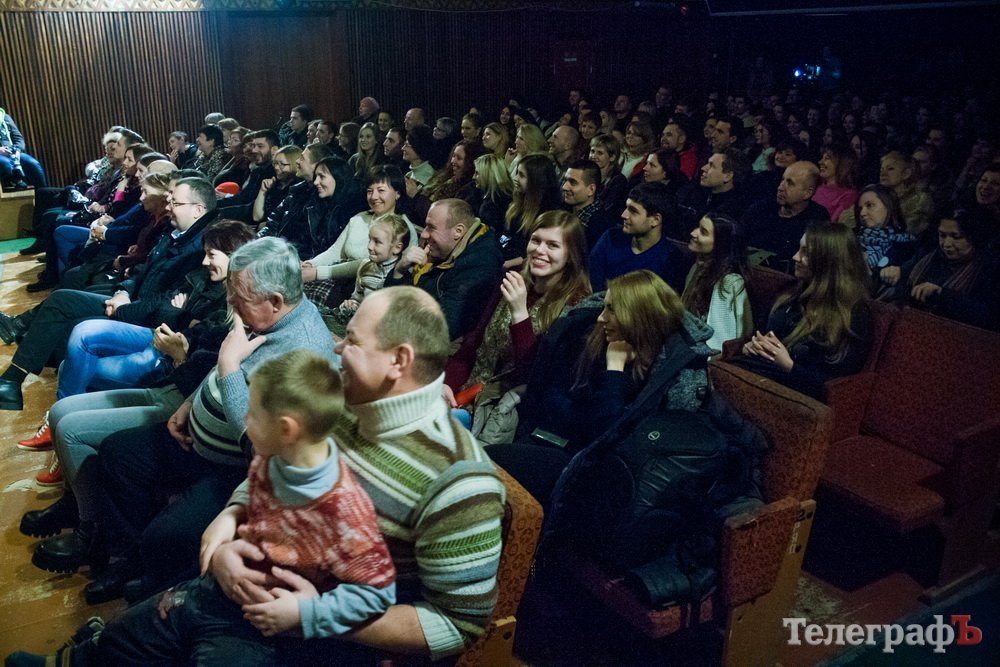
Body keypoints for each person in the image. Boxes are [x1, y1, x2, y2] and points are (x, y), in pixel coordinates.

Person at [187, 287, 504, 663]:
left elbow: (457, 626)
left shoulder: (461, 481)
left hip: (323, 640)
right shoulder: (342, 398)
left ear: (398, 361)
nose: (337, 349)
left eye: (351, 341)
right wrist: (231, 517)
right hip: (255, 578)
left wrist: (315, 617)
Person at [486, 270, 714, 505]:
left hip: (598, 472)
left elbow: (608, 440)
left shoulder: (667, 373)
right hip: (558, 443)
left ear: (637, 317)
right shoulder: (594, 340)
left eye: (611, 309)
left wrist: (614, 369)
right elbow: (556, 403)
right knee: (484, 463)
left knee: (490, 463)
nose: (600, 318)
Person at [0, 177, 219, 411]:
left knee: (73, 325)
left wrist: (123, 309)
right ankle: (13, 380)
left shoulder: (200, 248)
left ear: (198, 210)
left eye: (175, 203)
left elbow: (165, 303)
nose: (168, 207)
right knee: (62, 299)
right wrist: (122, 292)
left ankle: (60, 405)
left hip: (148, 321)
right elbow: (142, 271)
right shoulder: (175, 232)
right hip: (132, 302)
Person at [444, 211, 592, 433]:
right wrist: (446, 384)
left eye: (552, 245)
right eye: (536, 240)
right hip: (467, 392)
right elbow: (473, 343)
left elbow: (532, 378)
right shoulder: (514, 278)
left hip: (502, 413)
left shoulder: (576, 307)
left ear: (571, 256)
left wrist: (520, 314)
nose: (539, 250)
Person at [736, 222, 873, 401]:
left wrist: (789, 365)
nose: (795, 257)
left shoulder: (854, 315)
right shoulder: (791, 292)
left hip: (793, 393)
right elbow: (760, 333)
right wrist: (751, 346)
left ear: (828, 261)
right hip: (755, 372)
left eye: (805, 252)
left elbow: (835, 387)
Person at [301, 164, 417, 308]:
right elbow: (336, 251)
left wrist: (318, 272)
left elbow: (366, 263)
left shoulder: (403, 228)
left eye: (381, 190)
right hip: (338, 279)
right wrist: (311, 264)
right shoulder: (360, 218)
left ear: (397, 193)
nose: (374, 197)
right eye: (370, 191)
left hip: (367, 290)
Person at [386, 199, 504, 340]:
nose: (424, 234)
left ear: (458, 231)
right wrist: (400, 269)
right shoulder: (445, 248)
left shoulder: (479, 265)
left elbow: (443, 327)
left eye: (431, 227)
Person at [885, 210, 999, 330]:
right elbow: (903, 285)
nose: (946, 244)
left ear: (973, 237)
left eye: (956, 237)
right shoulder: (927, 258)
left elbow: (987, 316)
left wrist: (942, 294)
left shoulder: (987, 270)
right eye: (942, 235)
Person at [589, 182, 686, 292]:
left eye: (633, 211)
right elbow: (592, 282)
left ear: (655, 220)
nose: (624, 215)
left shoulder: (671, 260)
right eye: (626, 208)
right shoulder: (611, 238)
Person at [325, 214, 411, 337]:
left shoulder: (402, 278)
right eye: (369, 239)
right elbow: (358, 299)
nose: (369, 247)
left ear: (397, 248)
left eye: (377, 242)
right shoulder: (365, 267)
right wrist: (351, 305)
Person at [682, 212, 753, 352]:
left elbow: (720, 339)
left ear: (720, 244)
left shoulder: (729, 283)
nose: (693, 233)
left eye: (703, 232)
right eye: (697, 227)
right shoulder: (696, 268)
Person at [743, 160, 830, 270]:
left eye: (790, 183)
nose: (780, 187)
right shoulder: (760, 209)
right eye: (782, 180)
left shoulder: (817, 219)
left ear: (807, 193)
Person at [851, 184, 915, 292]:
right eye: (860, 208)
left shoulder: (907, 246)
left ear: (889, 206)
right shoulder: (849, 238)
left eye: (870, 205)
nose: (862, 213)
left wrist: (900, 272)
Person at [502, 154, 561, 266]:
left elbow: (536, 252)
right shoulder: (517, 203)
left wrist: (506, 264)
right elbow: (506, 236)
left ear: (536, 180)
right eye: (517, 173)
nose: (515, 179)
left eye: (521, 175)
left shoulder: (547, 213)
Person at [880, 151, 933, 238]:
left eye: (890, 169)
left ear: (906, 174)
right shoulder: (875, 196)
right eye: (881, 169)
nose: (883, 174)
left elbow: (910, 230)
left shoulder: (920, 199)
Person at [0, 106, 47, 189]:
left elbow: (18, 138)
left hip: (12, 152)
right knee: (7, 164)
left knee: (33, 164)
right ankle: (16, 183)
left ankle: (42, 192)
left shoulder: (5, 117)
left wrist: (17, 150)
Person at [814, 144, 859, 223]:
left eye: (827, 158)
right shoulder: (816, 187)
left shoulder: (849, 195)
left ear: (842, 163)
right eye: (822, 158)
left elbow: (833, 224)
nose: (820, 162)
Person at [472, 153, 514, 232]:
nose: (473, 177)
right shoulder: (512, 197)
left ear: (488, 175)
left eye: (477, 173)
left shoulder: (489, 208)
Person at [589, 134, 627, 216]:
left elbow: (608, 210)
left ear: (612, 157)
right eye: (592, 151)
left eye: (600, 153)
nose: (593, 156)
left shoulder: (618, 181)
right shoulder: (587, 174)